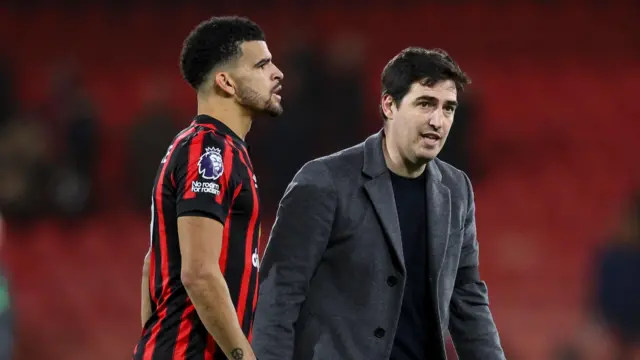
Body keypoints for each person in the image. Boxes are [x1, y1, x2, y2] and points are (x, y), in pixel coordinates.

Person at [252, 47, 504, 359]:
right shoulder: (323, 182)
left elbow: (467, 300)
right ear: (389, 105)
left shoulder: (456, 189)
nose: (438, 121)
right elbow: (279, 295)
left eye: (448, 108)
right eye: (425, 104)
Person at [133, 16, 283, 360]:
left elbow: (150, 265)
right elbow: (199, 273)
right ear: (226, 82)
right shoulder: (209, 151)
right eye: (262, 64)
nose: (277, 73)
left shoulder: (213, 146)